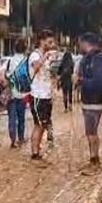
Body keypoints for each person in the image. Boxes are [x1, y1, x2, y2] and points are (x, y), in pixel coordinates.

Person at [76, 32, 102, 173]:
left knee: (91, 132)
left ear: (86, 43)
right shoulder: (90, 58)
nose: (79, 46)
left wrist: (81, 81)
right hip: (89, 100)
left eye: (80, 43)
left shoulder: (97, 60)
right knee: (91, 132)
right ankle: (93, 158)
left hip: (94, 100)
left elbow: (98, 82)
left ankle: (94, 160)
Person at [28, 30, 57, 164]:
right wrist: (45, 56)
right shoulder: (35, 55)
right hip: (37, 95)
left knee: (44, 124)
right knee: (38, 124)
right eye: (49, 42)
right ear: (42, 41)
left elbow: (50, 74)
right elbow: (36, 67)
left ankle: (37, 149)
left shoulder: (48, 57)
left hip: (46, 94)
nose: (51, 44)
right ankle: (34, 152)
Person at [4, 39, 29, 148]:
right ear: (25, 49)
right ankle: (21, 138)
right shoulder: (26, 61)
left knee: (12, 118)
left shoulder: (10, 60)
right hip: (23, 94)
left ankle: (13, 140)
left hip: (12, 94)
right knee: (21, 117)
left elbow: (4, 74)